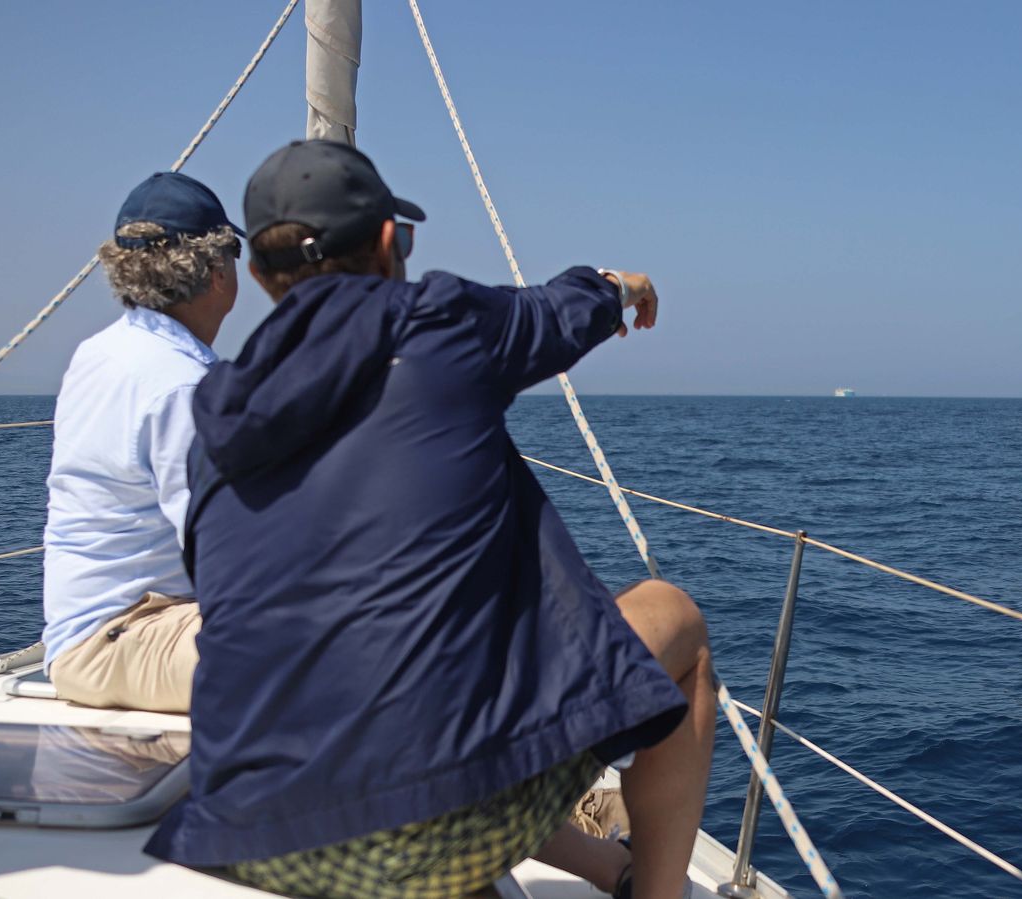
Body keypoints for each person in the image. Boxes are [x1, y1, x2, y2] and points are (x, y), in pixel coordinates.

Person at [145, 140, 714, 899]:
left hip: (248, 834)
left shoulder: (214, 420)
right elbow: (557, 313)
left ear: (256, 275)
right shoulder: (439, 323)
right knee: (676, 622)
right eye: (403, 239)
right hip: (428, 815)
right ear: (389, 243)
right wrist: (619, 286)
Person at [41, 172, 243, 713]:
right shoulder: (185, 385)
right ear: (218, 271)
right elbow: (231, 553)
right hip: (131, 639)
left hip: (87, 639)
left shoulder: (99, 353)